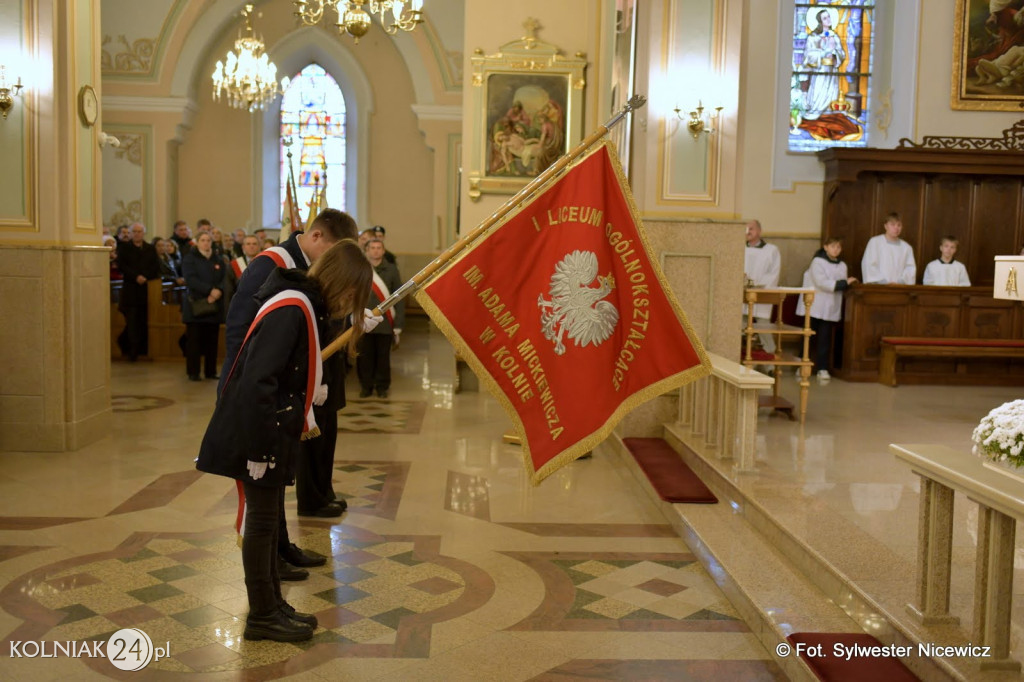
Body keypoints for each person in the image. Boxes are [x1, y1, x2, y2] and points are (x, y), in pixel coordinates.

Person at [196, 240, 372, 643]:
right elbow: (259, 380)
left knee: (269, 518)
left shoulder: (303, 304)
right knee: (260, 524)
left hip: (270, 430)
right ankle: (262, 616)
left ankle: (273, 604)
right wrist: (260, 450)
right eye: (351, 296)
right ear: (341, 285)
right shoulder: (292, 308)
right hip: (256, 433)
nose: (348, 306)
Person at [220, 208, 370, 567]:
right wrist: (246, 387)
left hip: (287, 387)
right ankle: (270, 560)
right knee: (263, 487)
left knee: (279, 476)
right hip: (256, 389)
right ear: (316, 236)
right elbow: (243, 328)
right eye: (333, 251)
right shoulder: (271, 263)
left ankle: (282, 546)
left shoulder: (308, 267)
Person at [796, 237, 857, 382]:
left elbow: (840, 284)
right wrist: (844, 282)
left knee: (825, 339)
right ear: (825, 247)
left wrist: (845, 283)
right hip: (815, 305)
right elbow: (822, 282)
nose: (835, 250)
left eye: (838, 247)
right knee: (807, 337)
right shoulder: (817, 262)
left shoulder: (842, 265)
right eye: (833, 246)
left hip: (830, 307)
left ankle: (822, 368)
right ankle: (801, 365)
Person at [358, 238, 404, 399]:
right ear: (367, 250)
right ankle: (366, 386)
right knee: (364, 357)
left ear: (383, 251)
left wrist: (398, 324)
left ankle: (382, 387)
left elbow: (399, 297)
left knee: (383, 358)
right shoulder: (361, 269)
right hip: (364, 321)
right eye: (373, 248)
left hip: (385, 322)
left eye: (379, 248)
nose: (376, 250)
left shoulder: (391, 270)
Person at [182, 232, 225, 381]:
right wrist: (209, 291)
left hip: (214, 304)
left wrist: (218, 290)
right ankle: (193, 372)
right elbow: (191, 279)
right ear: (197, 242)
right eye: (203, 240)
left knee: (211, 340)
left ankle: (210, 371)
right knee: (194, 341)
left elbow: (223, 278)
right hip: (196, 303)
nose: (206, 243)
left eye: (208, 240)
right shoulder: (190, 259)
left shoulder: (218, 259)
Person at [116, 223, 161, 361]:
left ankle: (143, 350)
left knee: (143, 321)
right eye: (134, 231)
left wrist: (145, 276)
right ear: (130, 234)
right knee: (131, 322)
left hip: (146, 291)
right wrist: (136, 276)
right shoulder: (124, 248)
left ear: (144, 233)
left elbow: (155, 266)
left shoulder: (150, 249)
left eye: (139, 231)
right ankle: (132, 351)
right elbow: (122, 266)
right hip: (130, 290)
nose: (137, 234)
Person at [743, 220, 781, 354]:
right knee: (740, 328)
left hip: (762, 294)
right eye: (746, 229)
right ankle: (740, 359)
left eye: (751, 229)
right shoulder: (739, 248)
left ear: (759, 231)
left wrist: (757, 285)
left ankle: (770, 360)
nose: (748, 231)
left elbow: (773, 273)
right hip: (742, 295)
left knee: (763, 327)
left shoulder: (771, 250)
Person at [800, 8, 845, 121]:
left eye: (829, 16)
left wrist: (834, 53)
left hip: (831, 72)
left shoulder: (834, 36)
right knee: (817, 96)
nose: (828, 19)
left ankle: (828, 114)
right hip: (819, 71)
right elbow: (808, 55)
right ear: (820, 21)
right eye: (825, 18)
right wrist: (822, 53)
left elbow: (841, 53)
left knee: (831, 95)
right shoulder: (813, 37)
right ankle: (815, 111)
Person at [861, 212, 916, 285]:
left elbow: (910, 268)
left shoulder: (906, 247)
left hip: (899, 288)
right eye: (893, 224)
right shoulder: (875, 242)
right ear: (886, 226)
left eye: (899, 225)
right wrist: (883, 282)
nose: (896, 228)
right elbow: (868, 265)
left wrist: (900, 282)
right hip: (878, 288)